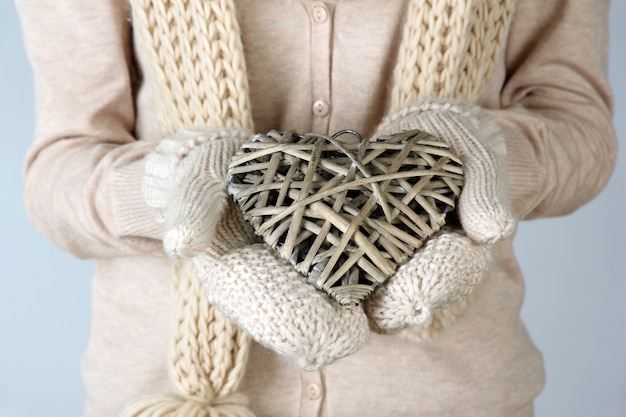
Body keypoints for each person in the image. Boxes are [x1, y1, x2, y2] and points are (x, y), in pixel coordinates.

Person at [17, 0, 616, 416]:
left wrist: (475, 158)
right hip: (169, 393)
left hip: (446, 393)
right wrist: (166, 189)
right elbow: (58, 173)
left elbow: (582, 134)